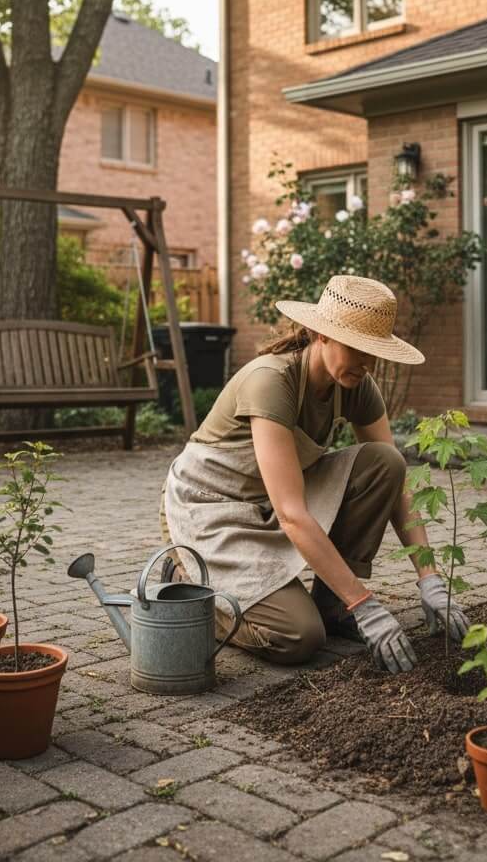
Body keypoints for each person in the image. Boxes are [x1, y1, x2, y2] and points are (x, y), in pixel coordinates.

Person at [160, 275, 469, 674]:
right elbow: (292, 514)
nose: (366, 362)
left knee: (385, 463)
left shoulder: (356, 382)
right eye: (356, 348)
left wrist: (430, 577)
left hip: (270, 499)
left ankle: (335, 604)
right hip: (211, 507)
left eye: (374, 352)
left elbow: (396, 483)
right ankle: (190, 580)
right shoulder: (271, 381)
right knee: (298, 636)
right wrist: (367, 603)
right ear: (318, 334)